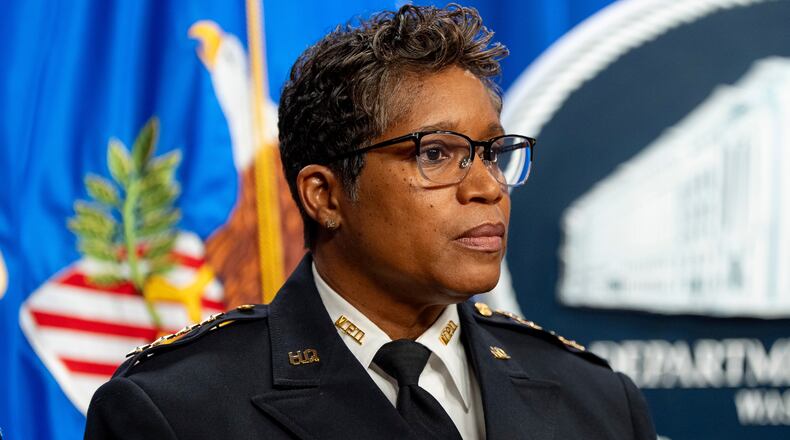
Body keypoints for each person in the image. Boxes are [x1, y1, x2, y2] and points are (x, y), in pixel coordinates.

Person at [85, 4, 656, 439]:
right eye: (436, 154)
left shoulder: (599, 402)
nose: (487, 187)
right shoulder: (175, 411)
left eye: (491, 152)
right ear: (324, 196)